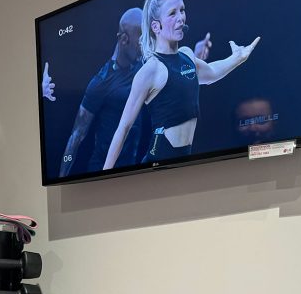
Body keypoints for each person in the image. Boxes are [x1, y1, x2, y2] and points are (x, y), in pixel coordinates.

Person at [102, 0, 260, 171]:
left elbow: (210, 73)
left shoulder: (186, 55)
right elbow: (123, 128)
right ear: (156, 26)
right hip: (160, 158)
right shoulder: (151, 70)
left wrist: (238, 58)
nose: (181, 18)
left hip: (185, 157)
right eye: (172, 13)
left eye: (182, 10)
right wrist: (105, 174)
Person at [52, 9, 214, 179]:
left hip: (134, 173)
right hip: (102, 177)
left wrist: (194, 57)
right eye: (141, 41)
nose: (145, 47)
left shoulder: (146, 67)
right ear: (124, 39)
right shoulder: (101, 83)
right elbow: (76, 136)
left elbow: (174, 84)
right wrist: (62, 179)